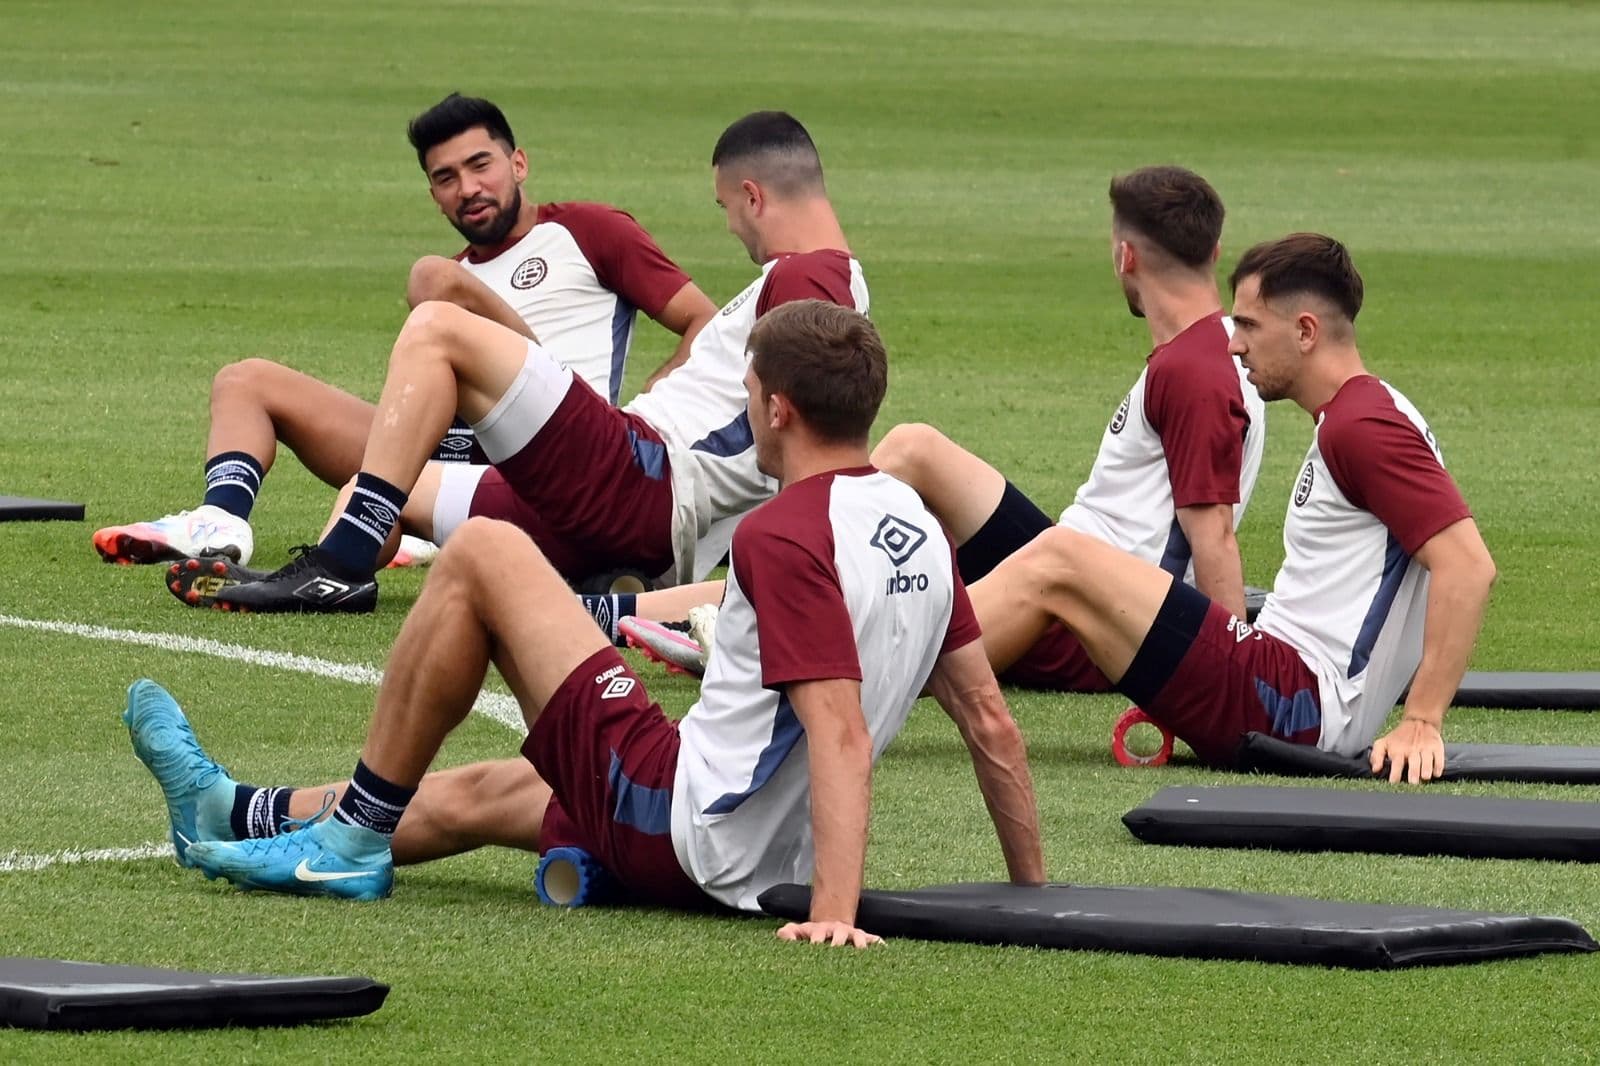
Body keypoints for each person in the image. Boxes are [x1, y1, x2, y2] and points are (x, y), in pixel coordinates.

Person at [126, 301, 1045, 947]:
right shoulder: (917, 524)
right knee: (504, 789)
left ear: (776, 408)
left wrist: (836, 912)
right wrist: (1035, 897)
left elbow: (838, 732)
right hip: (754, 843)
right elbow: (990, 723)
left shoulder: (785, 532)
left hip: (691, 838)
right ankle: (239, 810)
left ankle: (349, 842)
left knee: (484, 552)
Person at [174, 110, 868, 614]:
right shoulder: (818, 280)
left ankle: (339, 569)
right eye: (446, 177)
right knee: (384, 486)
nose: (730, 226)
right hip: (629, 488)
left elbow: (802, 428)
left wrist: (786, 561)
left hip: (643, 477)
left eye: (726, 209)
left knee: (437, 321)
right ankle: (597, 594)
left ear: (752, 196)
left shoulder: (809, 277)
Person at [619, 166, 1266, 684]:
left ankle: (736, 625)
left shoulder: (1194, 371)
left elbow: (1213, 537)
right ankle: (669, 611)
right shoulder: (1220, 352)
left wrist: (1216, 676)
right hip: (1068, 568)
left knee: (890, 579)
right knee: (914, 450)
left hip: (1084, 616)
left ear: (1125, 257)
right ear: (1213, 250)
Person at [94, 92, 716, 568]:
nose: (468, 189)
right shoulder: (464, 274)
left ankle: (426, 529)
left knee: (429, 281)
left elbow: (702, 324)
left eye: (481, 165)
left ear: (519, 163)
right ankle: (219, 524)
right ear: (432, 195)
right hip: (454, 448)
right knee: (245, 381)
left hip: (559, 444)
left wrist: (644, 412)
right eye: (446, 178)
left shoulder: (587, 230)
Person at [968, 234, 1495, 781]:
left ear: (1305, 331)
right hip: (1284, 685)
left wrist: (1422, 721)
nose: (1234, 345)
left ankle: (889, 671)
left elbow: (1468, 565)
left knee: (1059, 558)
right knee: (1064, 565)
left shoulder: (1363, 427)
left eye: (1248, 326)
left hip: (1295, 704)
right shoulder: (1364, 412)